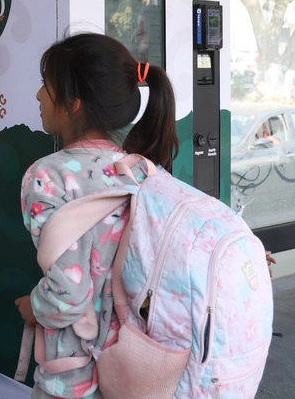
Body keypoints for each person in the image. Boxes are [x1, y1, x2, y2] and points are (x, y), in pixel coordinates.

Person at [13, 32, 178, 399]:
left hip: (73, 383)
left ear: (73, 102)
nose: (39, 96)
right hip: (134, 371)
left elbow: (69, 294)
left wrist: (35, 307)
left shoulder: (48, 176)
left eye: (46, 85)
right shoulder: (141, 170)